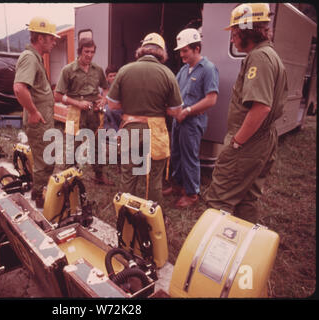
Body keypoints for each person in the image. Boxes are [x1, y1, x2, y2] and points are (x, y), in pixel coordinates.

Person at [203, 3, 288, 223]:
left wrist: (237, 143)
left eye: (234, 33)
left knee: (218, 201)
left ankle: (214, 254)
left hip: (248, 143)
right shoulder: (271, 55)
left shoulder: (259, 58)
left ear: (245, 31)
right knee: (246, 199)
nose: (232, 39)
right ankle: (243, 251)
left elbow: (261, 106)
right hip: (263, 139)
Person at [107, 32, 183, 207]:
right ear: (162, 52)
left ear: (141, 50)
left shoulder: (125, 70)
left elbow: (112, 105)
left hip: (130, 126)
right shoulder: (168, 73)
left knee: (129, 174)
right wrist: (159, 108)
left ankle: (125, 212)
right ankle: (152, 216)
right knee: (154, 177)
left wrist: (130, 104)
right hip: (155, 131)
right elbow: (176, 111)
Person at [163, 28, 219, 208]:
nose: (181, 54)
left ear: (197, 48)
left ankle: (192, 193)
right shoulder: (184, 70)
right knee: (176, 153)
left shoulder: (208, 69)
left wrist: (186, 111)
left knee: (189, 156)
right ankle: (179, 185)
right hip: (178, 121)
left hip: (192, 122)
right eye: (180, 51)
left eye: (185, 50)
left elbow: (211, 99)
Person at [13, 17, 59, 208]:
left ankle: (41, 192)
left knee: (48, 159)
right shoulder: (29, 57)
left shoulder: (36, 58)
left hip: (44, 122)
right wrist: (33, 111)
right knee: (44, 161)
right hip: (39, 122)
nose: (54, 42)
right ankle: (40, 199)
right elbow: (19, 88)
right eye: (51, 38)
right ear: (41, 38)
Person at [54, 38, 114, 185]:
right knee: (72, 145)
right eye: (86, 51)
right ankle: (69, 177)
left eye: (92, 52)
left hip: (94, 113)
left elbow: (106, 88)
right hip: (75, 113)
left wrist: (104, 100)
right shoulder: (68, 70)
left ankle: (99, 175)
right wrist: (78, 103)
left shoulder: (97, 70)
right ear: (80, 51)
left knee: (97, 144)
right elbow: (58, 95)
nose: (89, 55)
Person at [102, 65, 122, 131]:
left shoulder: (123, 87)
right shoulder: (104, 90)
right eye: (111, 76)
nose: (113, 78)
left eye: (115, 75)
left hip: (120, 111)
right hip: (108, 114)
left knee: (108, 109)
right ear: (107, 78)